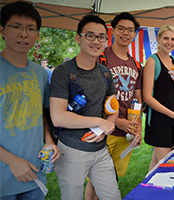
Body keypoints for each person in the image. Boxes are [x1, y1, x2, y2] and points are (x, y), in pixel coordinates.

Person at [50, 14, 121, 200]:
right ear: (78, 38)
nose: (96, 41)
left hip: (100, 150)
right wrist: (99, 122)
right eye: (90, 35)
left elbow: (113, 109)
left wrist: (104, 129)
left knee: (113, 196)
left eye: (101, 37)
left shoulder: (105, 73)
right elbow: (58, 117)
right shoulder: (63, 72)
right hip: (71, 150)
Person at [0, 1, 60, 199]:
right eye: (16, 26)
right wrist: (10, 160)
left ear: (37, 35)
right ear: (2, 30)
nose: (23, 34)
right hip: (4, 175)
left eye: (30, 29)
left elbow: (41, 112)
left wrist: (49, 141)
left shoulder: (40, 73)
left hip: (35, 173)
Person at [85, 12, 142, 200]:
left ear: (135, 34)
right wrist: (117, 121)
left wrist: (138, 127)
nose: (126, 33)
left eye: (130, 30)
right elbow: (94, 97)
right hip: (103, 129)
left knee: (112, 178)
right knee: (95, 179)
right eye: (121, 28)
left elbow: (137, 97)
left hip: (126, 132)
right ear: (113, 30)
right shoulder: (101, 57)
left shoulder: (136, 64)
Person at [142, 24, 174, 171]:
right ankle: (155, 192)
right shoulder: (152, 62)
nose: (169, 42)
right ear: (159, 39)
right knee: (165, 165)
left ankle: (149, 189)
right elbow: (147, 97)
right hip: (160, 120)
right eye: (166, 38)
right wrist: (173, 115)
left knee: (157, 162)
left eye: (173, 39)